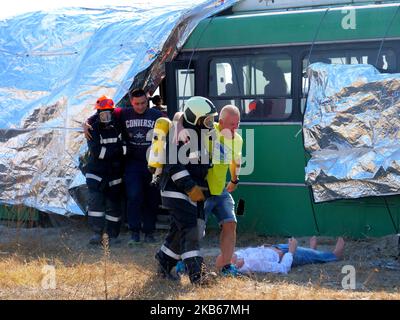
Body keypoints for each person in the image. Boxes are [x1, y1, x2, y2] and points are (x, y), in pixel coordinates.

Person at [84, 89, 163, 245]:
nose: (140, 107)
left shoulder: (156, 115)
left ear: (147, 100)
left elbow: (172, 122)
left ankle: (149, 232)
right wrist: (86, 123)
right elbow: (103, 112)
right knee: (133, 196)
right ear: (131, 102)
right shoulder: (124, 113)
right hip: (133, 163)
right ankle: (134, 233)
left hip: (153, 163)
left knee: (152, 199)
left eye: (143, 103)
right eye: (136, 104)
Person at [155, 96, 218, 285]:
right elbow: (173, 165)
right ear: (195, 118)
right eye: (206, 119)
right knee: (191, 232)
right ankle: (198, 276)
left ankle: (164, 261)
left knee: (180, 231)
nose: (210, 123)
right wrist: (190, 187)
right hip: (177, 192)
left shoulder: (200, 134)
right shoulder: (179, 135)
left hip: (192, 193)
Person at [204, 104, 243, 277]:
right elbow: (179, 117)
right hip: (202, 190)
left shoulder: (238, 139)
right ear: (220, 122)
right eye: (231, 124)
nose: (235, 128)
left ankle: (226, 266)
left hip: (220, 190)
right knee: (195, 229)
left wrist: (234, 179)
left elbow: (235, 161)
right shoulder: (207, 132)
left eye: (238, 124)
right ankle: (184, 262)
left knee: (230, 223)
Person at [84, 96, 125, 246]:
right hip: (96, 175)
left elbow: (125, 148)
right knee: (96, 205)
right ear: (98, 114)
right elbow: (97, 152)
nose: (105, 117)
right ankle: (97, 234)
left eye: (108, 113)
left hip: (114, 174)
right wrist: (116, 151)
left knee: (114, 206)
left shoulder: (119, 126)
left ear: (113, 112)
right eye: (102, 114)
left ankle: (113, 235)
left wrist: (111, 152)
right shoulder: (92, 128)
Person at [221, 236, 345, 274]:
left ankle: (311, 251)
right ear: (233, 266)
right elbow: (282, 269)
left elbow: (249, 251)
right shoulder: (254, 265)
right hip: (285, 254)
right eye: (226, 257)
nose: (228, 254)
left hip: (277, 247)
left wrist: (264, 248)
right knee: (301, 253)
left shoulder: (238, 255)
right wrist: (291, 251)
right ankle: (334, 255)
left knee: (306, 252)